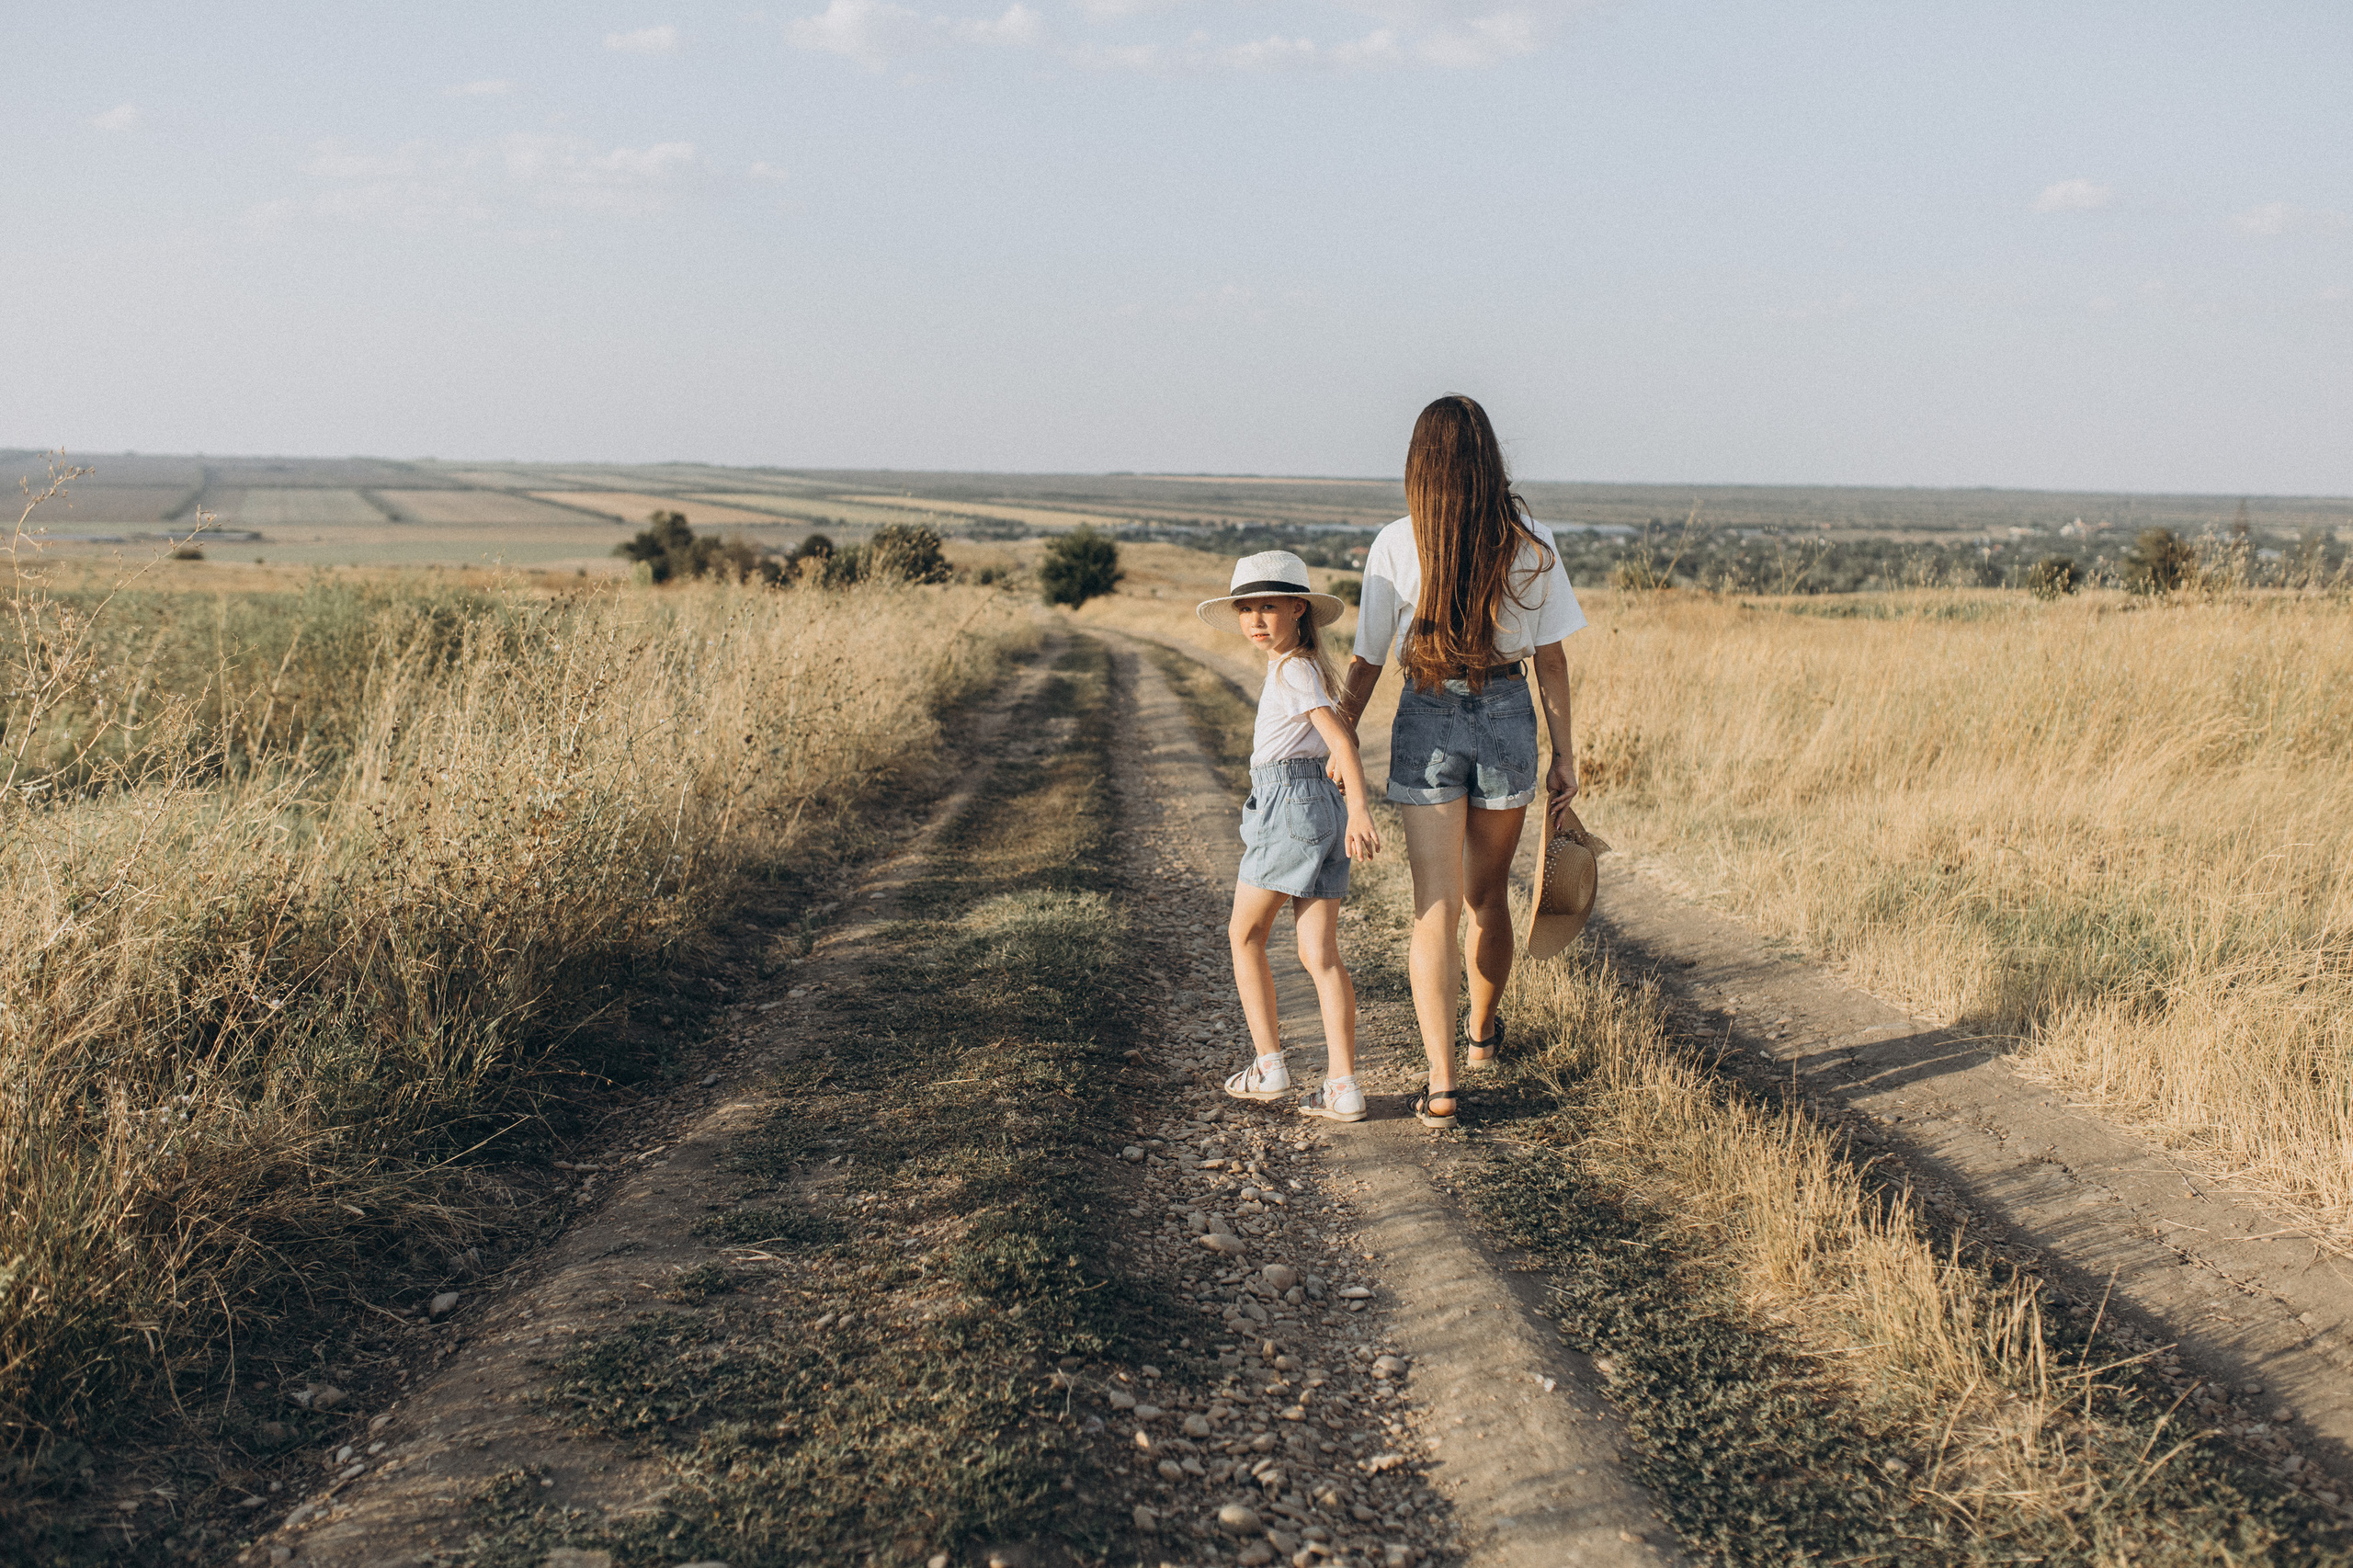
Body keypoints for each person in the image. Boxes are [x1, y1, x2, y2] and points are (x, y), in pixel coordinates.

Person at [1333, 396, 1586, 1128]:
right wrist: (1565, 757)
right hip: (1509, 716)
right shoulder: (1530, 543)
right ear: (1489, 460)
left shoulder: (1394, 544)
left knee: (1433, 911)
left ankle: (1441, 1084)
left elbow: (1366, 660)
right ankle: (1480, 1037)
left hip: (1426, 714)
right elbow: (1554, 662)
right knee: (1487, 898)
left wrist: (1340, 731)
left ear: (1420, 466)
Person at [1196, 551, 1382, 1123]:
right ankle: (1342, 1086)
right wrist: (1342, 805)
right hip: (1315, 807)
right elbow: (1330, 739)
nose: (1255, 619)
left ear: (1299, 609)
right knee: (1319, 954)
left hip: (1294, 808)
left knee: (1244, 934)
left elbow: (1342, 741)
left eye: (1268, 606)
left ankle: (1270, 1064)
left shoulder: (1292, 669)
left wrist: (1359, 809)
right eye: (1246, 608)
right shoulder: (1304, 667)